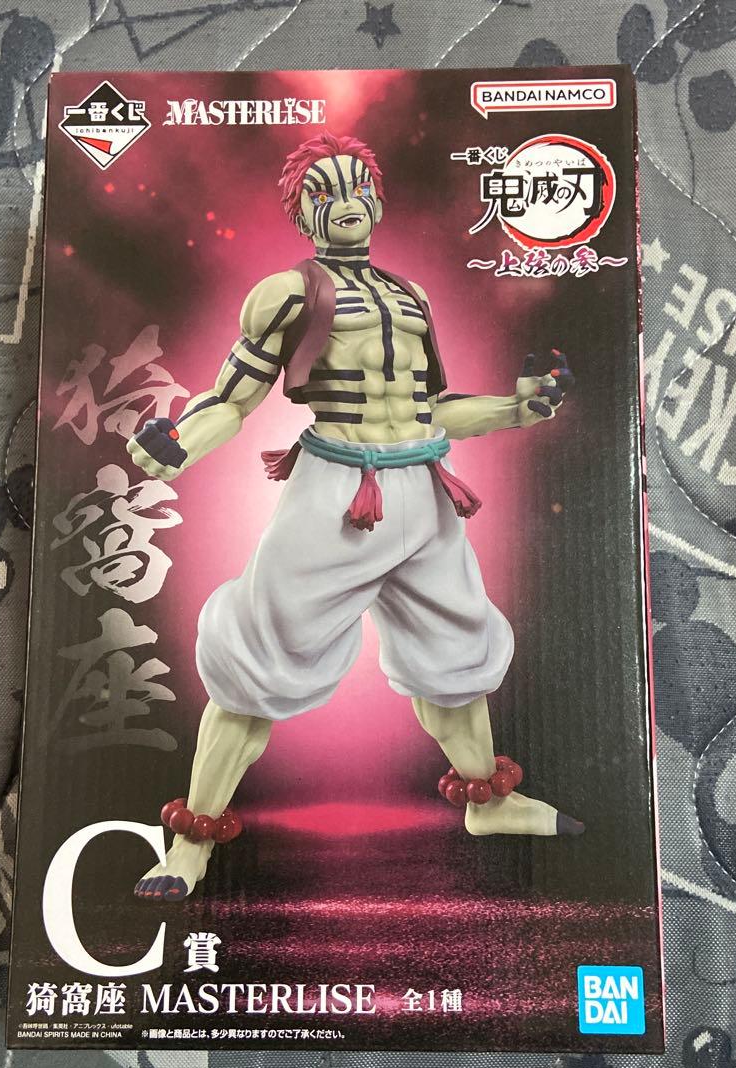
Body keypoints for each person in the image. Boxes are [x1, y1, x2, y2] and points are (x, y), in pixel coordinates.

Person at [127, 132, 581, 903]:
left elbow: (434, 408)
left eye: (357, 186)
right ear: (302, 212)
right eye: (324, 190)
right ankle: (190, 843)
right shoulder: (286, 294)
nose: (346, 202)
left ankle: (489, 804)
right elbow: (232, 398)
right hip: (334, 495)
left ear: (377, 199)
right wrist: (179, 443)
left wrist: (516, 407)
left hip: (424, 493)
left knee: (456, 657)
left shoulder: (411, 296)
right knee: (255, 661)